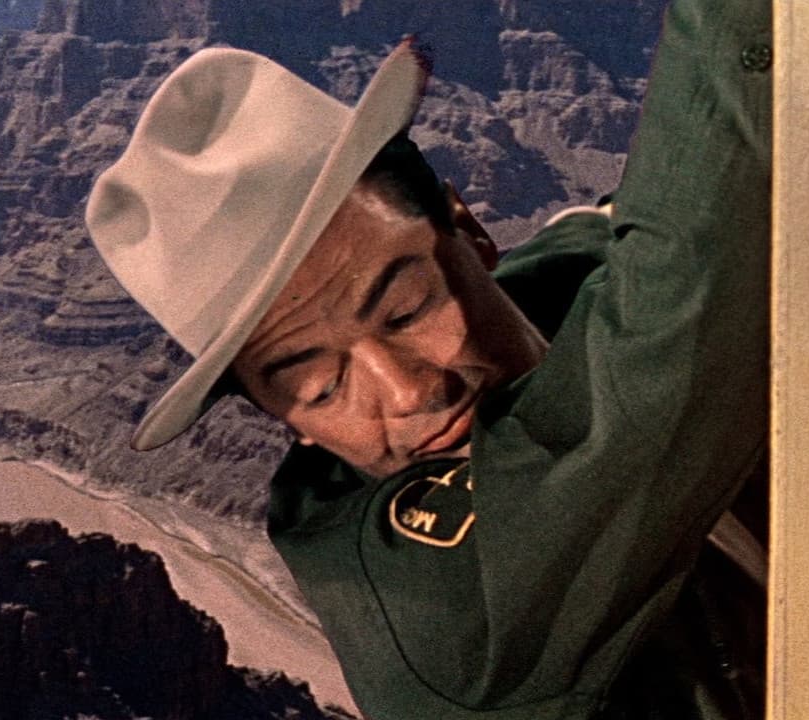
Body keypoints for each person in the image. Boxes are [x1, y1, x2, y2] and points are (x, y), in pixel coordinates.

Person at [84, 0, 772, 715]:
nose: (407, 392)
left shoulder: (543, 294)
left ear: (472, 233)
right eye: (321, 388)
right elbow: (676, 323)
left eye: (408, 310)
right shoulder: (432, 613)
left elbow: (592, 241)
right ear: (287, 423)